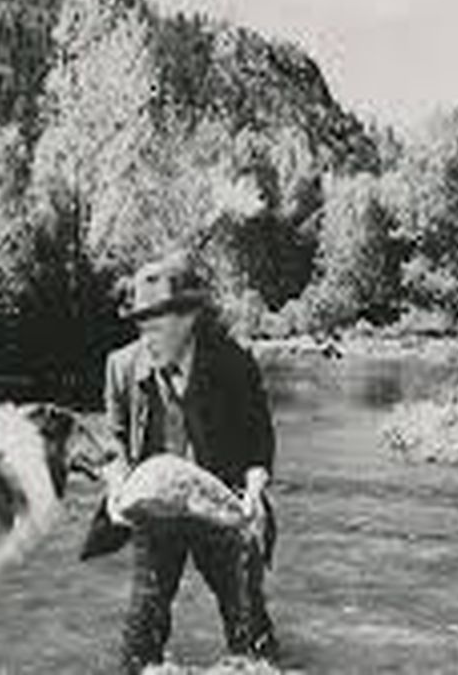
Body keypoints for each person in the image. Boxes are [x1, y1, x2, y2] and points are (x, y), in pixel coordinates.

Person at [83, 251, 278, 674]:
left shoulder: (234, 364)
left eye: (156, 328)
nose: (146, 339)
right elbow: (113, 444)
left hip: (222, 506)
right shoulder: (120, 367)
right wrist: (116, 484)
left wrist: (255, 493)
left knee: (252, 633)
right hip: (157, 511)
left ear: (188, 319)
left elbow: (259, 445)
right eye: (141, 328)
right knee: (140, 639)